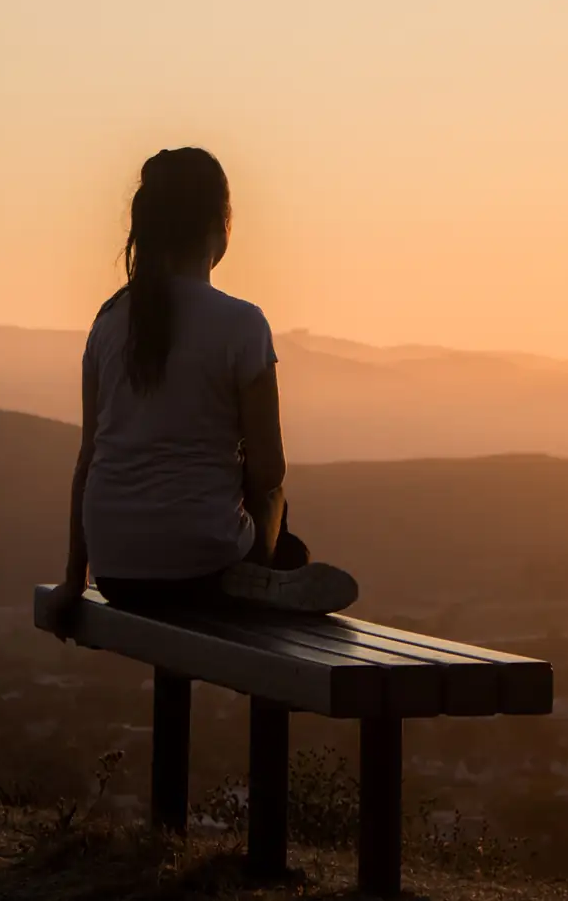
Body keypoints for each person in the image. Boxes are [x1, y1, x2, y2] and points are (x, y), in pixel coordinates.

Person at [45, 147, 358, 635]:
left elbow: (88, 461)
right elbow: (269, 469)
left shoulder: (107, 323)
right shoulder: (242, 324)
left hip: (115, 572)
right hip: (203, 567)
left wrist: (72, 581)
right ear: (221, 224)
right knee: (276, 504)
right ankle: (264, 574)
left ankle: (265, 571)